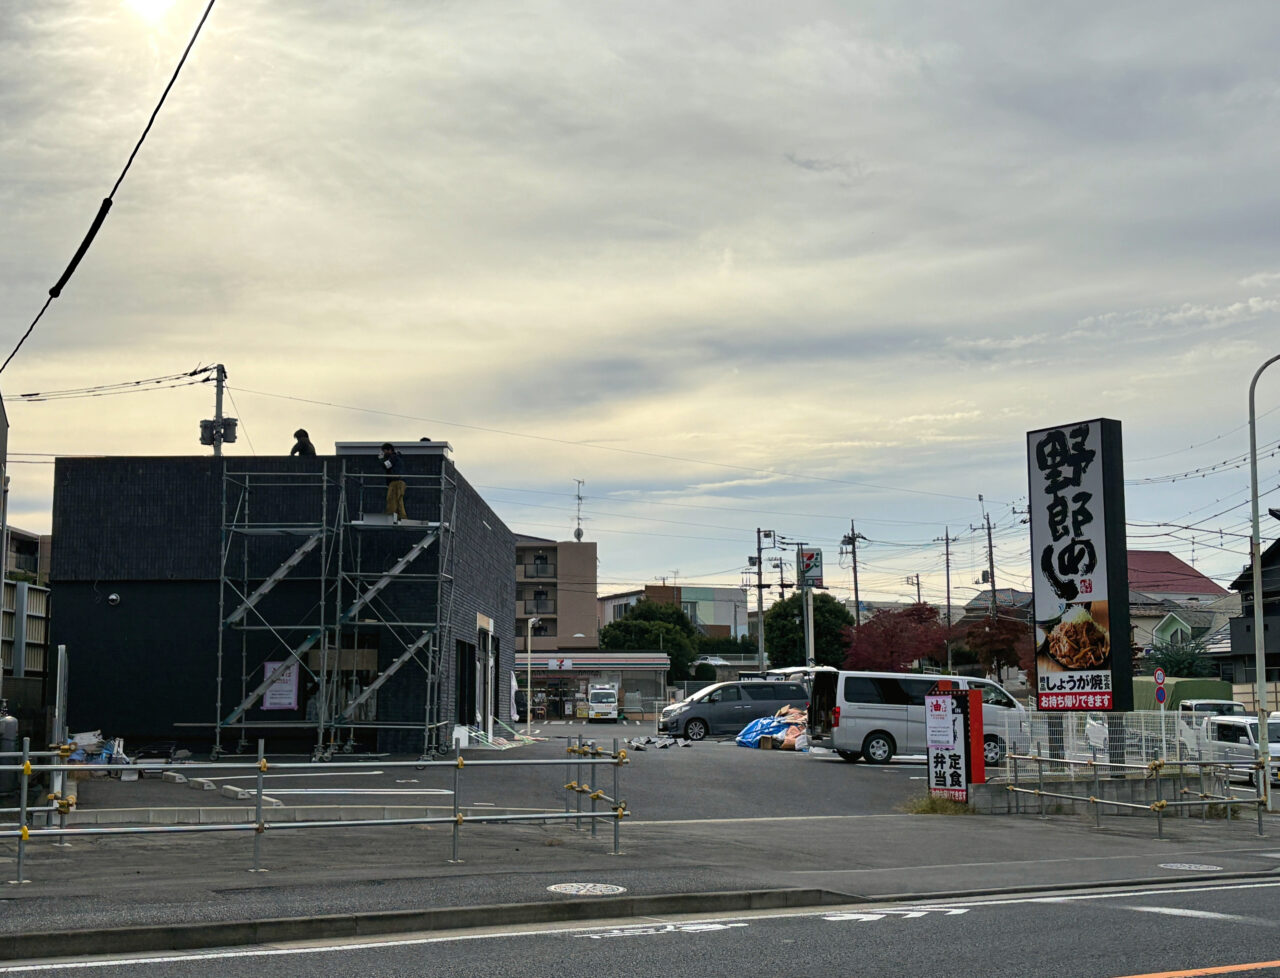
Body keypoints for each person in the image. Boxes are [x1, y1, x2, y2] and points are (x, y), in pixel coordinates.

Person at [379, 442, 407, 520]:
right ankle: (401, 517)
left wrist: (381, 459)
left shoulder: (393, 458)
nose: (384, 453)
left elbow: (386, 466)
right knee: (398, 500)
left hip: (395, 481)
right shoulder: (397, 458)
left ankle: (391, 517)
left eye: (384, 451)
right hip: (400, 482)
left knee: (391, 499)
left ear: (389, 450)